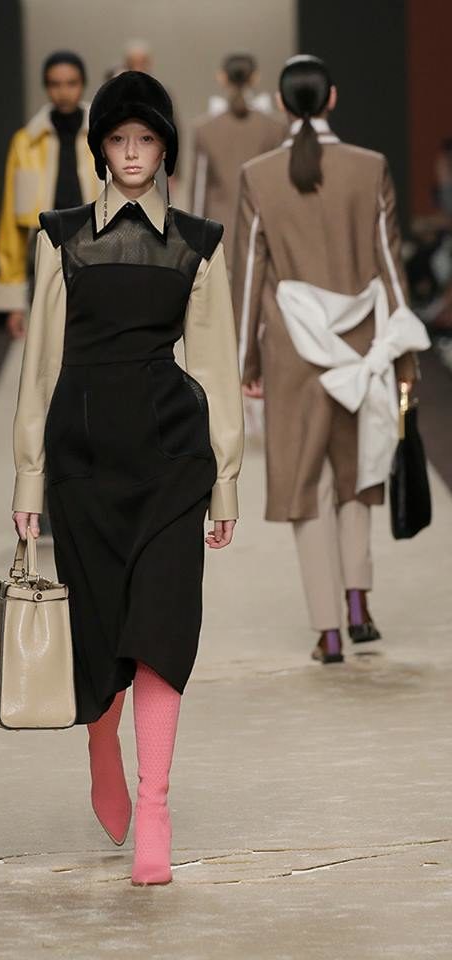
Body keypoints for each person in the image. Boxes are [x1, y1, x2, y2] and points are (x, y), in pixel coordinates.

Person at [11, 71, 244, 885]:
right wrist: (29, 479)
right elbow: (41, 367)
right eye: (119, 140)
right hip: (83, 462)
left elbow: (213, 367)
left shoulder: (198, 243)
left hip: (171, 460)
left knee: (162, 633)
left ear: (165, 148)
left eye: (146, 140)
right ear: (100, 148)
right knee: (101, 633)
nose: (133, 154)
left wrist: (225, 480)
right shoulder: (61, 237)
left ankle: (156, 806)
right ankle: (100, 743)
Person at [233, 55, 430, 664]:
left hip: (293, 350)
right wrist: (405, 354)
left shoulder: (258, 175)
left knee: (307, 486)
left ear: (282, 104)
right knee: (357, 475)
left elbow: (249, 275)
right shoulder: (370, 167)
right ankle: (358, 603)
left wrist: (246, 362)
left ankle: (327, 630)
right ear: (333, 98)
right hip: (362, 344)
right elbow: (390, 265)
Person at [0, 51, 100, 338]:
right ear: (46, 87)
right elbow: (11, 221)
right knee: (49, 346)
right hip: (45, 253)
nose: (63, 92)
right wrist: (13, 300)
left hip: (96, 253)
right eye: (55, 84)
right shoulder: (25, 143)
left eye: (71, 83)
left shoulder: (103, 137)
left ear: (82, 84)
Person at [191, 53, 284, 264]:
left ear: (222, 78)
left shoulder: (204, 129)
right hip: (263, 233)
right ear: (255, 78)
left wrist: (195, 243)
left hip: (217, 236)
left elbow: (199, 195)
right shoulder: (275, 128)